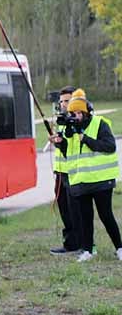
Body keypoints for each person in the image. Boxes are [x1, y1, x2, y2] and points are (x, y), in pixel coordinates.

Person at [51, 89, 122, 262]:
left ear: (86, 111)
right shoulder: (71, 128)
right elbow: (71, 155)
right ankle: (88, 250)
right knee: (85, 217)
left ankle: (120, 248)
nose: (75, 116)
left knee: (106, 215)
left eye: (78, 113)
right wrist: (61, 144)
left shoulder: (100, 124)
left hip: (101, 180)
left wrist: (86, 139)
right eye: (72, 113)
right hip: (81, 181)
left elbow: (109, 146)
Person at [49, 86, 80, 255]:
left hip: (74, 172)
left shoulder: (80, 120)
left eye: (66, 101)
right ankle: (70, 244)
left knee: (76, 210)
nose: (63, 105)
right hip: (60, 172)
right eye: (61, 102)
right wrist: (56, 141)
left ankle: (83, 244)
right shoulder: (61, 120)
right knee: (64, 209)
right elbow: (64, 147)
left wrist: (64, 143)